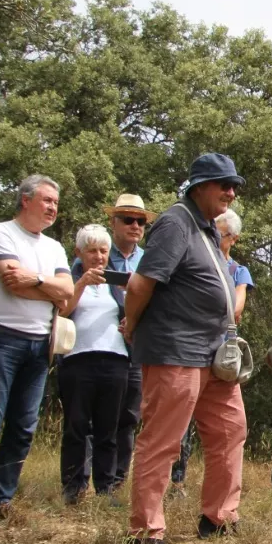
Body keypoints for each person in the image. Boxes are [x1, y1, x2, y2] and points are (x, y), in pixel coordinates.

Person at [122, 153, 250, 544]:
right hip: (175, 349)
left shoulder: (207, 228)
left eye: (234, 185)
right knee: (163, 440)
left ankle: (219, 518)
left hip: (214, 355)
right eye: (223, 184)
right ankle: (146, 532)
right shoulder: (176, 222)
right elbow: (140, 285)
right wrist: (131, 328)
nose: (231, 191)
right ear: (198, 187)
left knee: (231, 430)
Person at [0, 175, 73, 520]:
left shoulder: (54, 247)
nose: (53, 207)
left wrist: (37, 280)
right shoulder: (0, 233)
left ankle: (1, 498)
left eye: (56, 202)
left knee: (24, 425)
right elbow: (13, 285)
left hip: (39, 344)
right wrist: (49, 288)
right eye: (47, 200)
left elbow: (67, 292)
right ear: (25, 200)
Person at [169, 207, 251, 496]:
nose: (215, 237)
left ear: (234, 238)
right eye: (213, 231)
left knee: (227, 429)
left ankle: (218, 510)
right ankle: (175, 482)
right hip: (187, 348)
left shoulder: (239, 271)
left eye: (221, 233)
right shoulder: (192, 258)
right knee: (176, 423)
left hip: (221, 355)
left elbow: (235, 308)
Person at [59, 223, 132, 504]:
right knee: (76, 426)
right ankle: (73, 488)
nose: (98, 257)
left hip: (115, 359)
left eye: (103, 251)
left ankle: (106, 489)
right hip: (78, 358)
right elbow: (62, 311)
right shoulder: (70, 278)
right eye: (91, 251)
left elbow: (129, 314)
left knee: (108, 428)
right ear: (79, 252)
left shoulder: (115, 284)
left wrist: (129, 322)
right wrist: (81, 284)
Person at [102, 194, 154, 489]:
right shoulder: (96, 253)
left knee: (130, 415)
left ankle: (118, 479)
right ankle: (84, 481)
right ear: (113, 223)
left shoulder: (150, 260)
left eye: (141, 221)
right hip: (98, 345)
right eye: (128, 219)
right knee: (94, 416)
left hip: (135, 346)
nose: (135, 225)